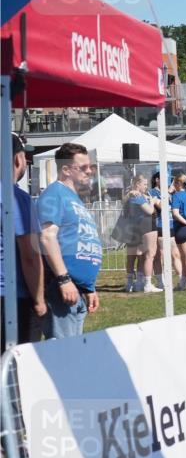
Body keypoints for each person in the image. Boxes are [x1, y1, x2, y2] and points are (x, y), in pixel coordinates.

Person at [36, 143, 102, 338]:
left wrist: (89, 288)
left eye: (89, 166)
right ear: (65, 169)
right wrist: (64, 280)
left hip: (76, 291)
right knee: (63, 356)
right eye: (82, 167)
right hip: (60, 288)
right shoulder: (54, 194)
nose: (89, 171)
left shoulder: (74, 198)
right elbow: (47, 237)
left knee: (73, 353)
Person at [2, 135, 46, 348]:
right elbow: (30, 254)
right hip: (12, 299)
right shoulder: (17, 199)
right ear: (17, 160)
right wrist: (39, 299)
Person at [122, 174, 158, 293]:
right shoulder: (137, 196)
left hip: (131, 228)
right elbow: (150, 211)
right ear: (137, 184)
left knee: (135, 257)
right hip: (142, 227)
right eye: (144, 184)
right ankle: (146, 284)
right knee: (147, 255)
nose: (146, 186)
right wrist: (152, 202)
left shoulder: (132, 195)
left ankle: (134, 283)